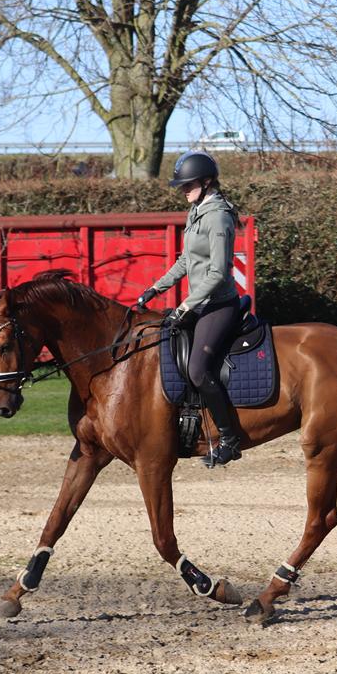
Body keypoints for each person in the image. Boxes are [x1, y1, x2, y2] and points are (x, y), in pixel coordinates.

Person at [133, 151, 243, 467]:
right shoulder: (195, 211)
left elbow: (219, 273)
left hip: (219, 304)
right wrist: (156, 288)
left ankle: (229, 439)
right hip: (200, 303)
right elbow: (186, 260)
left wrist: (185, 306)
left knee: (197, 369)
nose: (183, 189)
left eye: (188, 184)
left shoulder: (218, 217)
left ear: (207, 182)